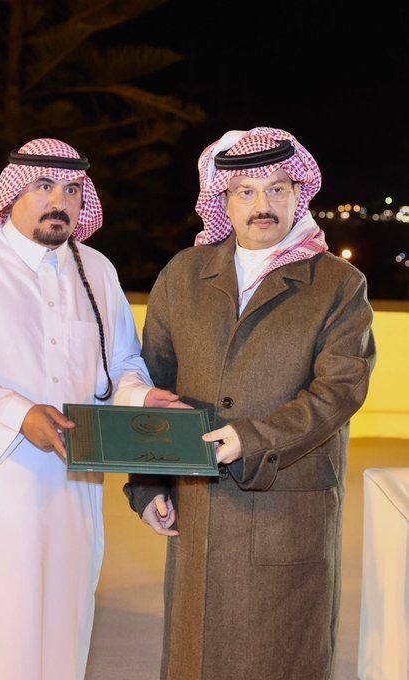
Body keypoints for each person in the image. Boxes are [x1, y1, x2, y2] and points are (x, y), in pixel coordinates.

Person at [0, 138, 183, 680]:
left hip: (67, 483)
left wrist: (139, 396)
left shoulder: (95, 270)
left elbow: (121, 362)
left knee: (60, 618)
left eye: (73, 189)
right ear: (12, 193)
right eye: (43, 185)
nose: (60, 201)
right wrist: (18, 413)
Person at [124, 127, 376, 680]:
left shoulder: (338, 284)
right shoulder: (183, 276)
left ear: (298, 193)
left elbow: (340, 390)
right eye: (247, 192)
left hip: (286, 505)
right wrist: (148, 482)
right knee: (195, 657)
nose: (263, 204)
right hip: (198, 509)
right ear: (224, 199)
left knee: (278, 656)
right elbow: (153, 384)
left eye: (277, 189)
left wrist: (253, 438)